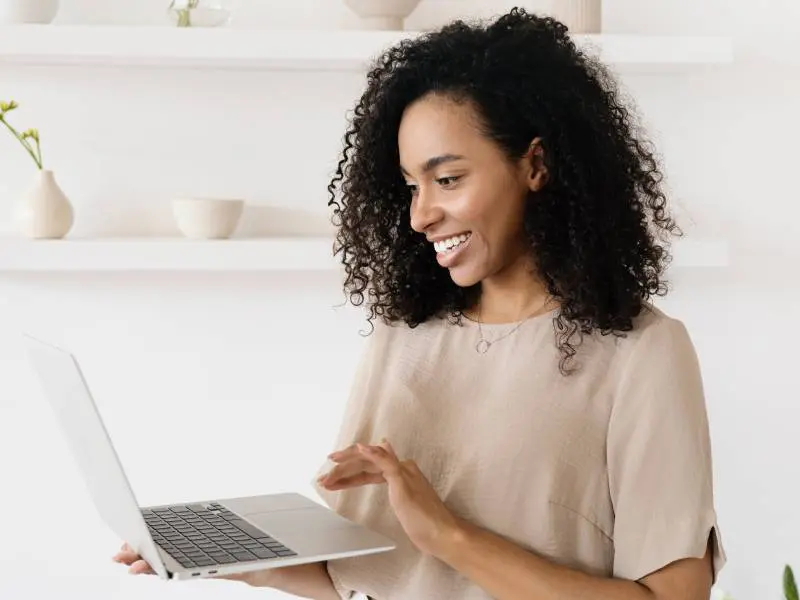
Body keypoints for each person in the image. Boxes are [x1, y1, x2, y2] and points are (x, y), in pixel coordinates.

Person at [114, 7, 727, 599]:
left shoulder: (640, 353)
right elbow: (367, 575)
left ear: (535, 165)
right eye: (411, 185)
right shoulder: (404, 337)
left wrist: (449, 536)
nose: (421, 214)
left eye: (448, 179)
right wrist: (237, 560)